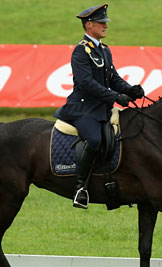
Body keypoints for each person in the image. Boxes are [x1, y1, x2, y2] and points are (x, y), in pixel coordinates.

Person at [54, 3, 145, 209]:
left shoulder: (104, 50)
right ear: (89, 26)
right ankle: (80, 188)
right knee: (94, 140)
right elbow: (86, 84)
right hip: (82, 109)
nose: (106, 26)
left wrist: (131, 90)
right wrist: (115, 97)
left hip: (101, 109)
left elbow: (113, 78)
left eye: (105, 22)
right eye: (101, 23)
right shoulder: (80, 51)